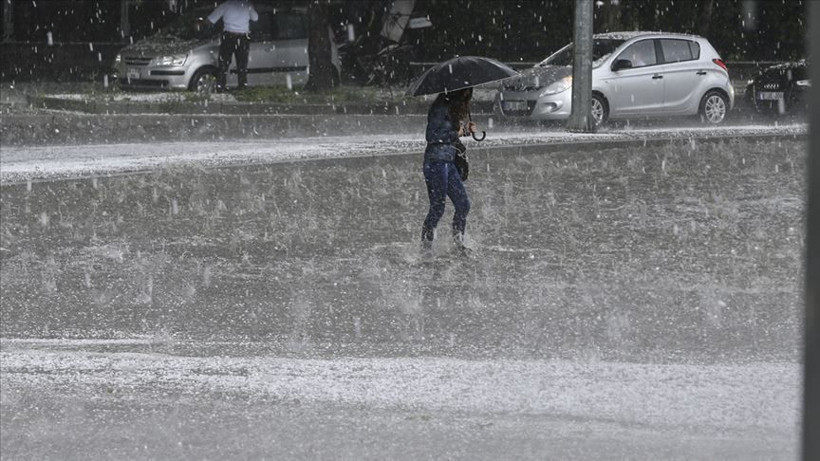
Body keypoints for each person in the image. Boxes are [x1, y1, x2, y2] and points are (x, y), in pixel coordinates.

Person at [420, 87, 478, 256]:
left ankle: (458, 244)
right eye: (464, 96)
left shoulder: (451, 107)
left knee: (463, 204)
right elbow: (432, 136)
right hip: (435, 162)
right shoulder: (440, 107)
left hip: (448, 161)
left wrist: (466, 130)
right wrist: (458, 132)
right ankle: (425, 249)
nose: (466, 100)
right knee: (437, 208)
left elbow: (450, 134)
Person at [207, 0, 258, 92]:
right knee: (242, 64)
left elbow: (211, 19)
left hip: (229, 36)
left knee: (224, 63)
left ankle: (221, 86)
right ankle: (242, 86)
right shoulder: (246, 5)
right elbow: (255, 18)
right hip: (243, 37)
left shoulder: (226, 5)